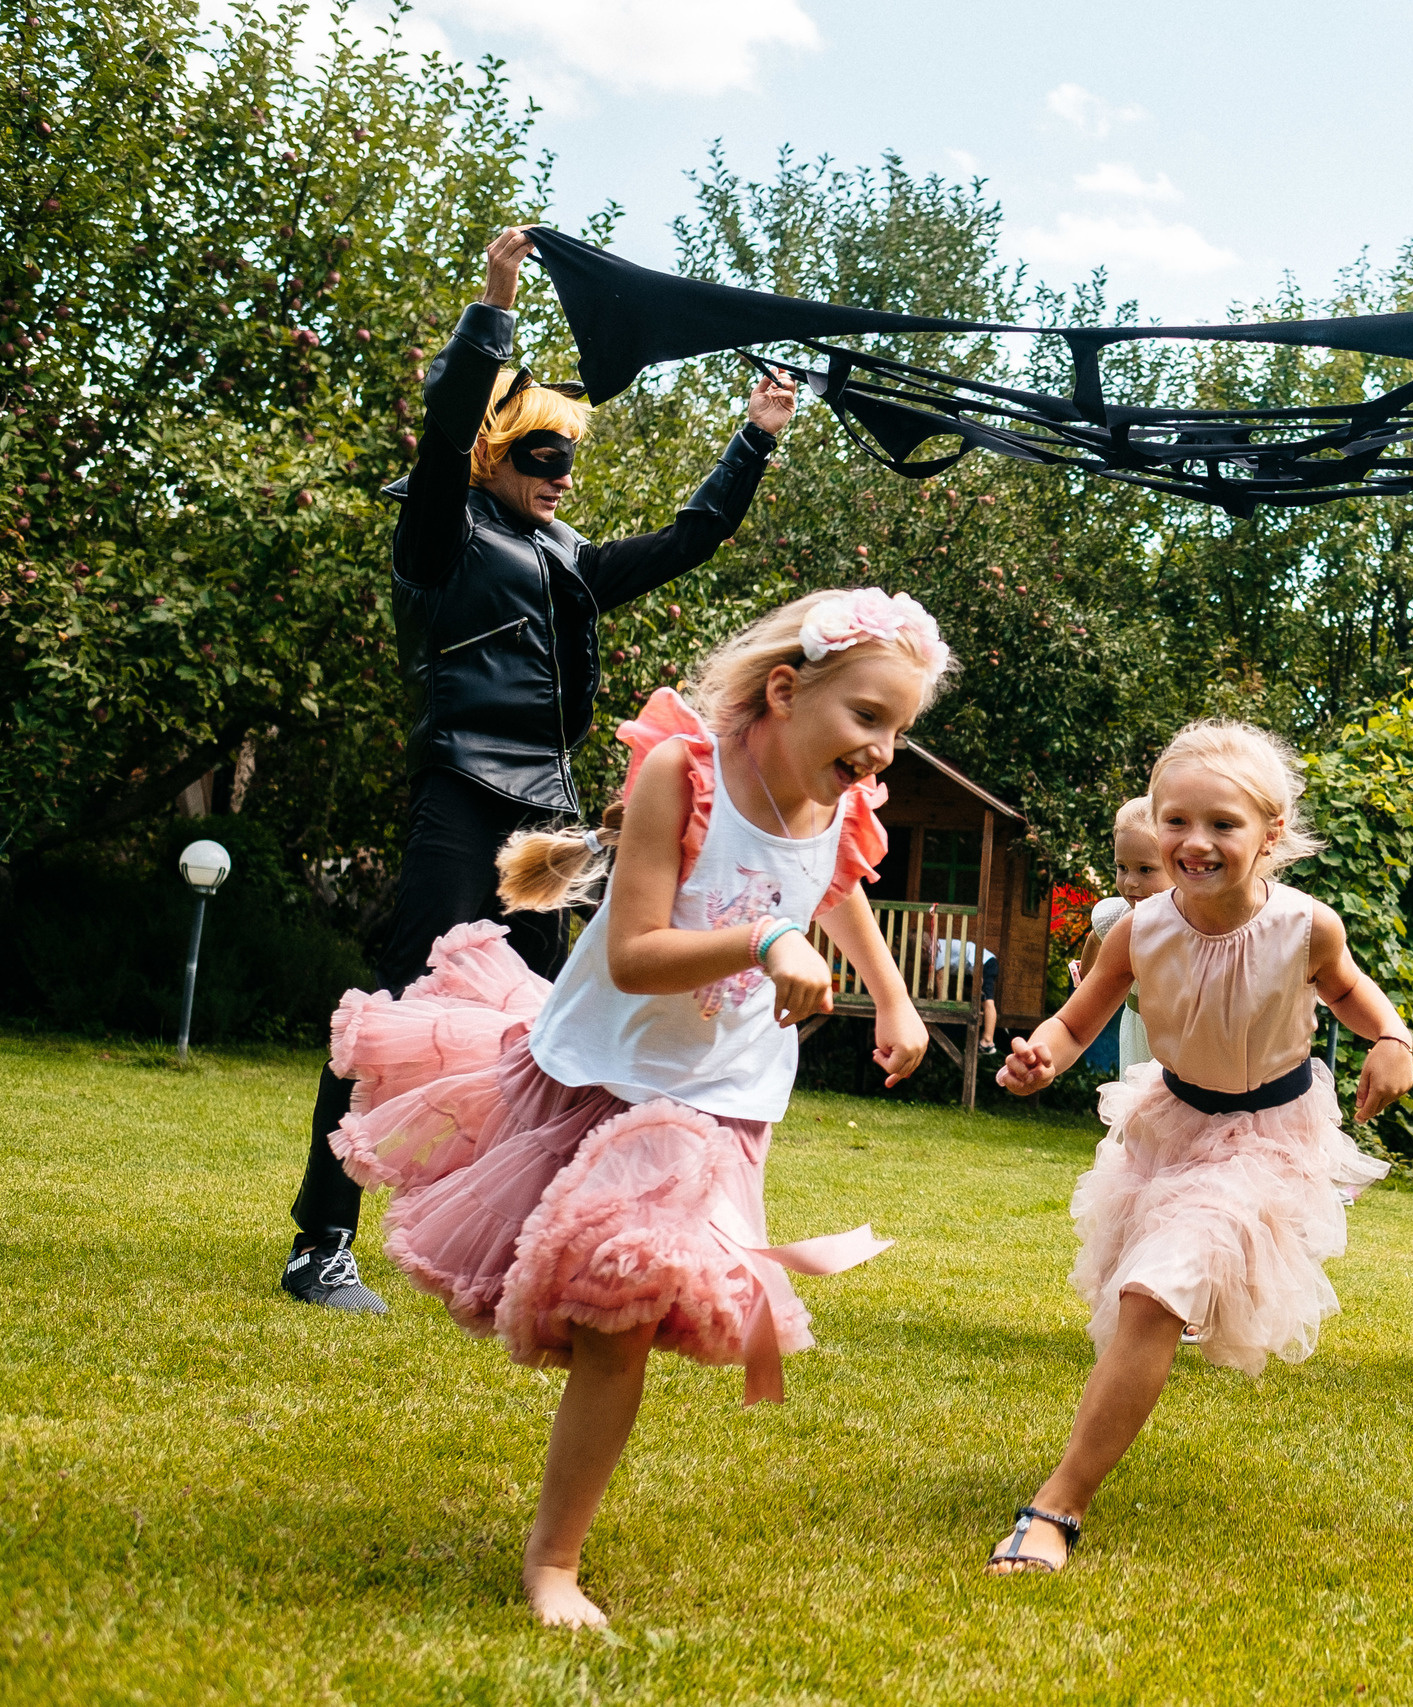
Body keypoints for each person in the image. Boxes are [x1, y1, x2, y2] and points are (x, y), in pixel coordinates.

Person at [324, 588, 945, 1627]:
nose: (883, 749)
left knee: (628, 1308)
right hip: (606, 1074)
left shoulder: (839, 797)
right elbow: (636, 952)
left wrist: (891, 993)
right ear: (787, 692)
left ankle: (553, 1557)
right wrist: (763, 943)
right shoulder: (686, 772)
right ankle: (554, 1565)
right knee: (605, 1318)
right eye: (867, 718)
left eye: (900, 729)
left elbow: (835, 881)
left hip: (721, 1102)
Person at [281, 226, 801, 1312]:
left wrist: (752, 440)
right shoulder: (440, 536)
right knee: (391, 1011)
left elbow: (684, 540)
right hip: (464, 795)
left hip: (550, 819)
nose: (561, 478)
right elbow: (440, 429)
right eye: (539, 457)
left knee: (557, 1028)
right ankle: (318, 1243)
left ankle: (536, 1240)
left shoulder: (564, 560)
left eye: (570, 459)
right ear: (494, 454)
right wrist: (496, 301)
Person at [981, 720, 1413, 1573]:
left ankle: (1055, 1507)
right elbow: (1080, 1019)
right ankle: (1103, 1430)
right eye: (1176, 820)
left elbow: (1354, 992)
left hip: (1268, 1137)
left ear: (1270, 833)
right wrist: (1043, 1057)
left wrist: (1391, 1037)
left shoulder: (1306, 927)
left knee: (1154, 1290)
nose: (1196, 841)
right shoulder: (1140, 929)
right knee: (1147, 1292)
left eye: (1223, 823)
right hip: (1171, 1124)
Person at [1075, 796, 1171, 1081]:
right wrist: (1086, 980)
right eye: (1122, 867)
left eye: (1145, 869)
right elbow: (1097, 937)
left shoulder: (1191, 922)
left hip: (1179, 1035)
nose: (1130, 881)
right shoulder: (1115, 916)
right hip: (1137, 1028)